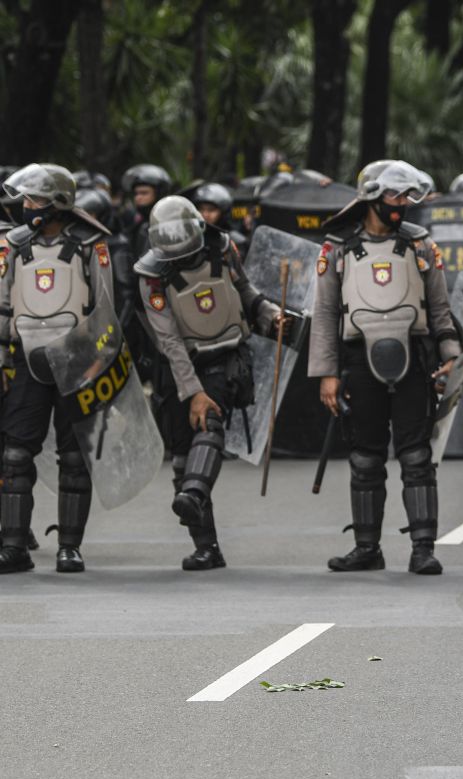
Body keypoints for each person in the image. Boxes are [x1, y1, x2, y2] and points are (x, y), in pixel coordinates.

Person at [309, 160, 460, 575]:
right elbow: (323, 314)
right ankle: (367, 549)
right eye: (395, 195)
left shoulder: (421, 245)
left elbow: (440, 307)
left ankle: (423, 549)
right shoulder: (337, 247)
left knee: (416, 456)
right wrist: (327, 372)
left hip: (415, 357)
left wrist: (451, 357)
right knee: (365, 458)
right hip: (358, 360)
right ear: (373, 196)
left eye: (408, 196)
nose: (403, 203)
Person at [135, 196, 285, 570]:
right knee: (183, 459)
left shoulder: (222, 246)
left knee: (210, 422)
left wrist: (269, 313)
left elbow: (244, 291)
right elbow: (168, 340)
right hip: (180, 363)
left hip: (226, 355)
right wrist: (193, 392)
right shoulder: (152, 274)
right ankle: (207, 546)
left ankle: (194, 493)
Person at [0, 164, 113, 573]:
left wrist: (100, 362)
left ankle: (70, 547)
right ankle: (13, 547)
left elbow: (105, 309)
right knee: (14, 456)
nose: (26, 206)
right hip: (26, 360)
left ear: (58, 203)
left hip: (77, 361)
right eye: (26, 199)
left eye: (34, 200)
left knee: (74, 456)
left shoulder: (90, 245)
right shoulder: (11, 245)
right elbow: (2, 306)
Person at [184, 182, 249, 252]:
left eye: (211, 210)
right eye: (201, 209)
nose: (205, 214)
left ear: (223, 211)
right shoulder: (189, 239)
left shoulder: (235, 241)